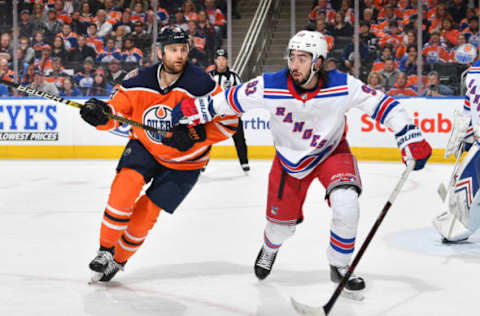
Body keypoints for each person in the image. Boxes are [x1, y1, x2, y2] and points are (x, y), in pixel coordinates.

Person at [172, 30, 432, 294]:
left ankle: (340, 266)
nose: (294, 65)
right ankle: (269, 248)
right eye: (292, 57)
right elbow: (229, 100)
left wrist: (408, 134)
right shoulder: (269, 85)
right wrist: (192, 111)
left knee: (347, 205)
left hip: (333, 153)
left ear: (318, 62)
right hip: (289, 160)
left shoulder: (342, 85)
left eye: (302, 58)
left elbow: (383, 105)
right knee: (279, 230)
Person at [80, 26, 239, 283]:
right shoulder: (138, 80)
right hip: (145, 149)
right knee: (124, 189)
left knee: (145, 215)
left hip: (186, 163)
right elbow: (115, 113)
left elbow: (230, 122)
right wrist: (98, 113)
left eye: (183, 49)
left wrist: (193, 135)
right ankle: (105, 249)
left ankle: (118, 259)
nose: (179, 55)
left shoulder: (202, 84)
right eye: (173, 50)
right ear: (160, 52)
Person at [433, 57, 480, 244]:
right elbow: (469, 105)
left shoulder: (473, 71)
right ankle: (460, 224)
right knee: (465, 189)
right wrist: (467, 133)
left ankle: (461, 223)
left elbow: (469, 107)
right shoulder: (474, 72)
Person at [208, 48, 250, 173]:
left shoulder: (234, 76)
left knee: (240, 139)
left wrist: (241, 108)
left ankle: (244, 162)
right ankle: (202, 163)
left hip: (231, 114)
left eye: (223, 59)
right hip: (214, 115)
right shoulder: (209, 76)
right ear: (215, 60)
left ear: (227, 61)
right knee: (206, 138)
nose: (221, 62)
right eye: (219, 59)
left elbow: (241, 93)